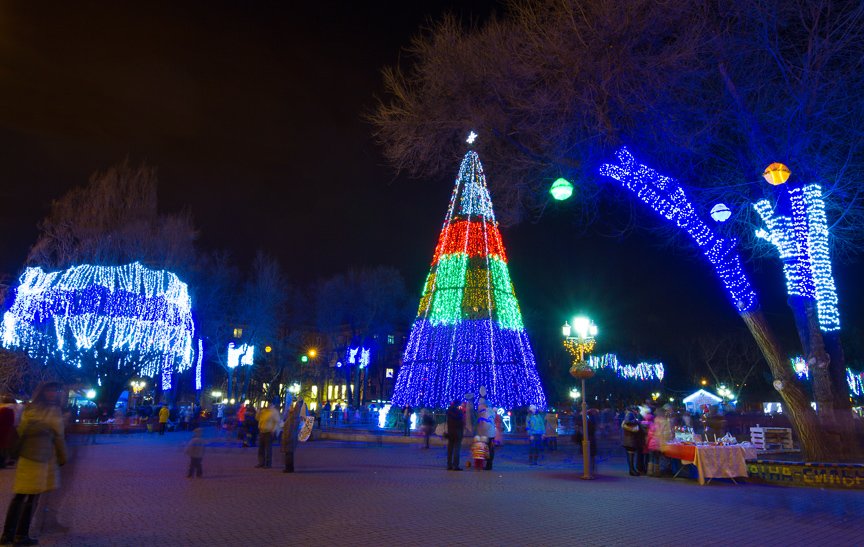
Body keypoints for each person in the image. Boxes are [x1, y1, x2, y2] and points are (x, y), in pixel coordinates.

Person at [2, 382, 67, 546]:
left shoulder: (30, 409)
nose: (53, 394)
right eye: (51, 391)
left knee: (20, 495)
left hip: (26, 455)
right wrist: (62, 457)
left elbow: (21, 429)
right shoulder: (53, 411)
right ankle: (21, 535)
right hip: (42, 457)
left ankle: (7, 535)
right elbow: (58, 436)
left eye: (55, 391)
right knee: (31, 497)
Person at [281, 396, 307, 473]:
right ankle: (289, 468)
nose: (290, 408)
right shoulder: (291, 417)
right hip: (289, 436)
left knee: (289, 454)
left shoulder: (293, 417)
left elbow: (296, 410)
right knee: (288, 454)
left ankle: (289, 468)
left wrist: (298, 403)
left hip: (290, 437)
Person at [256, 402, 280, 468]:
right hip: (262, 431)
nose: (268, 405)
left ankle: (268, 464)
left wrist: (273, 430)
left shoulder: (274, 412)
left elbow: (277, 422)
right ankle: (261, 462)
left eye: (269, 403)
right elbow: (257, 418)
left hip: (269, 432)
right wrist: (258, 412)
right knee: (261, 448)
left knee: (268, 449)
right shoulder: (263, 411)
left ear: (272, 404)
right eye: (267, 403)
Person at [622, 406, 643, 476]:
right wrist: (637, 422)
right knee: (631, 454)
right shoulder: (630, 414)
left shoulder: (628, 414)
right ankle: (632, 470)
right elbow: (628, 422)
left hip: (628, 438)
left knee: (630, 454)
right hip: (630, 438)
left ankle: (632, 470)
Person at [445, 400, 464, 471]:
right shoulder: (458, 411)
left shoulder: (448, 411)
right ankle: (455, 465)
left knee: (450, 449)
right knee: (457, 449)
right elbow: (461, 422)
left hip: (450, 432)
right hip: (457, 432)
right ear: (457, 404)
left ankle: (449, 465)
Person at [475, 406, 496, 470]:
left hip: (485, 435)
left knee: (484, 449)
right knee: (490, 449)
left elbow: (483, 425)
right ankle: (489, 464)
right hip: (491, 434)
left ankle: (485, 464)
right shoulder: (492, 413)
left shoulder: (484, 413)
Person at [0, 397, 18, 469]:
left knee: (2, 446)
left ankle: (2, 462)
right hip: (9, 429)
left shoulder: (4, 409)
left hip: (2, 430)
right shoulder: (14, 410)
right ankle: (4, 461)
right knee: (5, 446)